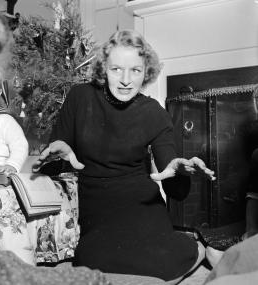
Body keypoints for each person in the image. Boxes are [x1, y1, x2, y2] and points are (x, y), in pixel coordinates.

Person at [34, 29, 216, 283]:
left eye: (136, 71)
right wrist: (58, 155)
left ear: (146, 72)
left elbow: (175, 185)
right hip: (98, 208)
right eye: (116, 69)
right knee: (94, 263)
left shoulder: (153, 112)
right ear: (103, 68)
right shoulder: (80, 97)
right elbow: (52, 161)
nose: (125, 80)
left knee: (162, 263)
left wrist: (179, 169)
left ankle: (193, 247)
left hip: (143, 206)